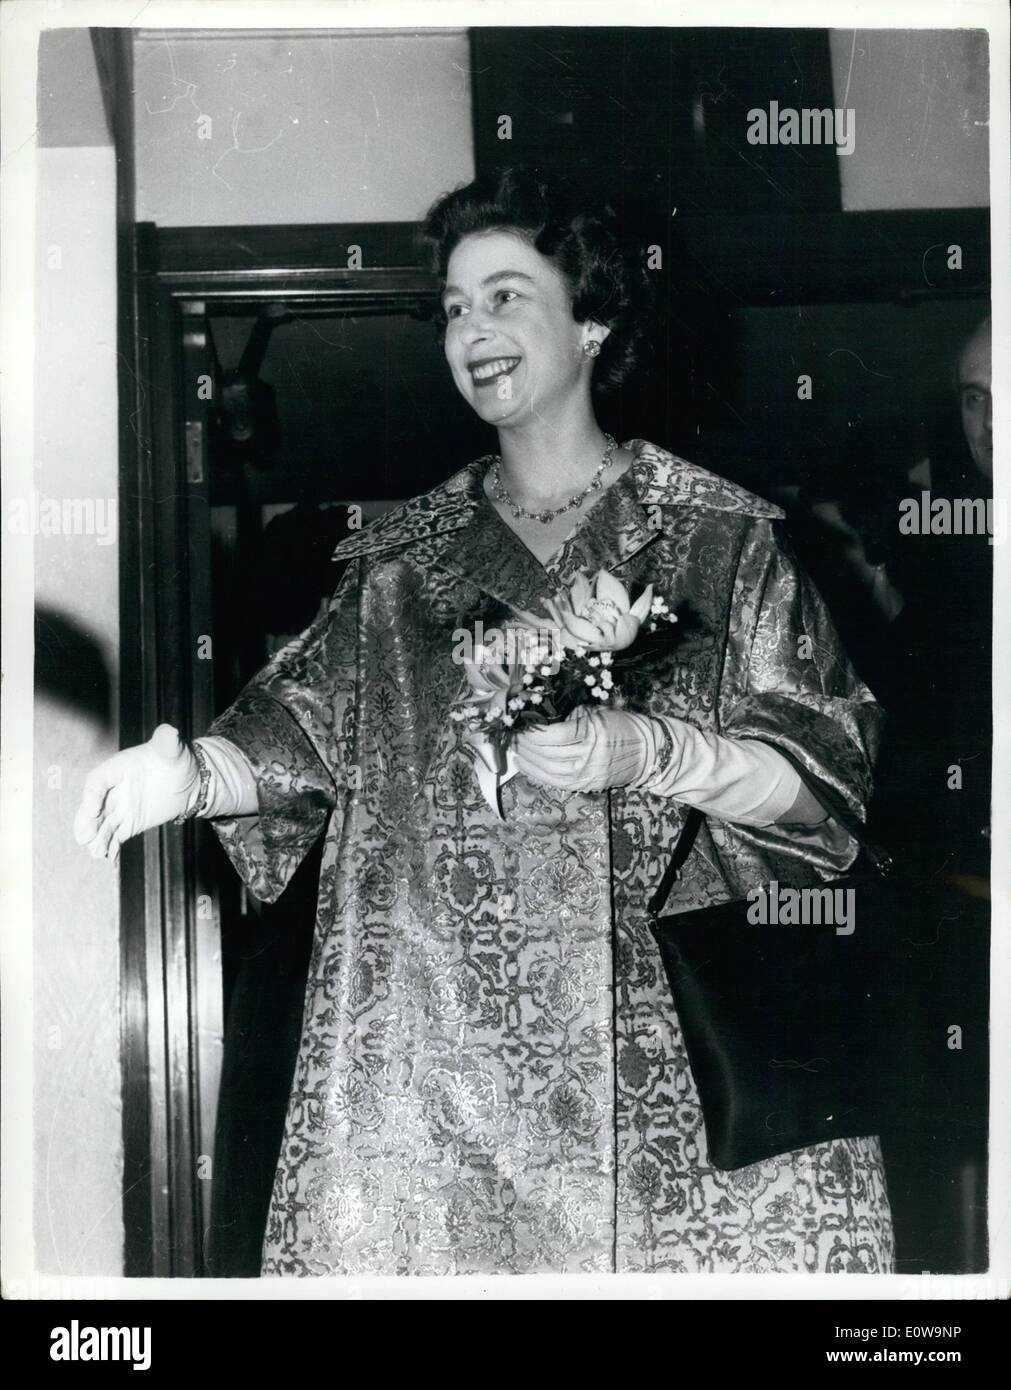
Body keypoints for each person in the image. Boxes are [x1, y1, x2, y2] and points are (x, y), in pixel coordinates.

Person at [75, 165, 893, 1275]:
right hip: (440, 1085)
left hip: (669, 1097)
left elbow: (828, 787)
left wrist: (661, 752)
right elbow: (298, 729)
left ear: (593, 318)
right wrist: (201, 774)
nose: (472, 329)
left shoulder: (720, 541)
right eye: (455, 307)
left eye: (506, 294)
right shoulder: (400, 568)